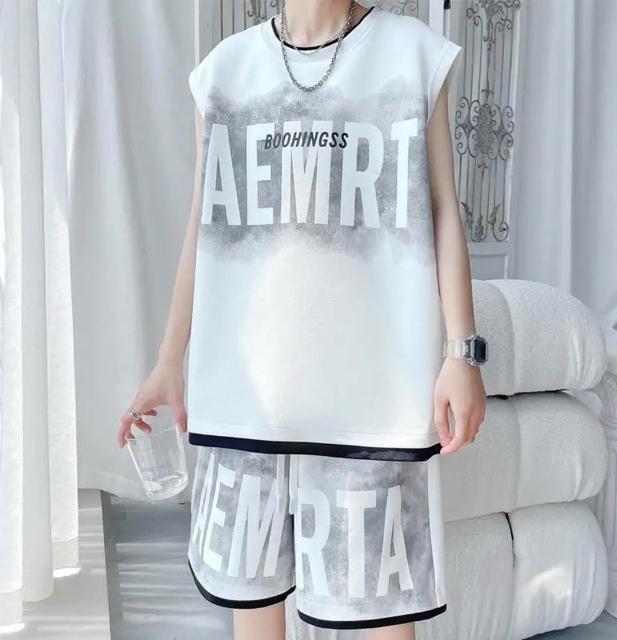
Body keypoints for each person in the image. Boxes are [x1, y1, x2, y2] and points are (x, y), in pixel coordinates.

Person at [117, 1, 487, 638]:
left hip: (373, 402)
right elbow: (204, 227)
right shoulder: (223, 71)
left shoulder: (413, 55)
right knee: (253, 604)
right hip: (246, 397)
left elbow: (442, 208)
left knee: (379, 613)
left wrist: (463, 353)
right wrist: (168, 360)